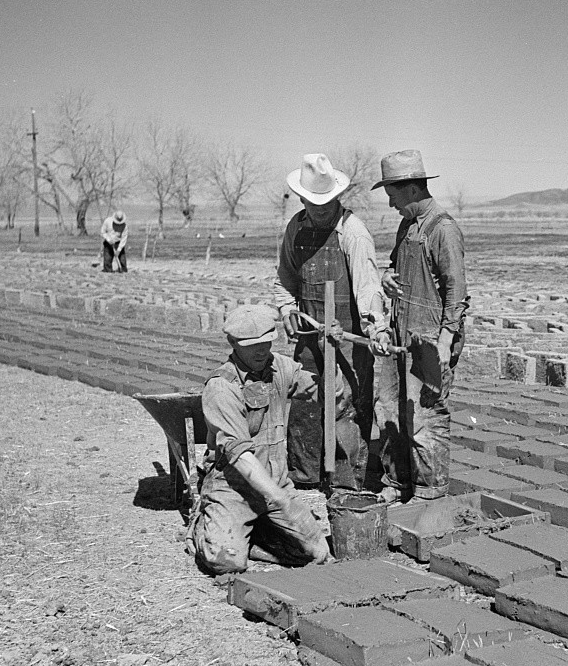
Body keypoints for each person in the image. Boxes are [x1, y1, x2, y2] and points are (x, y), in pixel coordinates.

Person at [188, 304, 339, 575]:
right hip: (234, 490)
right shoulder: (222, 387)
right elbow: (240, 457)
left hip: (275, 483)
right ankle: (205, 525)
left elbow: (329, 394)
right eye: (250, 345)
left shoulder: (280, 367)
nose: (260, 350)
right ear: (232, 342)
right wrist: (284, 501)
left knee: (316, 552)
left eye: (266, 342)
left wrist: (330, 352)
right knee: (226, 561)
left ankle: (256, 530)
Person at [273, 153, 387, 492]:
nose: (319, 209)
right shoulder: (295, 228)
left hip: (347, 338)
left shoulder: (353, 232)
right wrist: (286, 310)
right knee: (306, 401)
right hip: (309, 335)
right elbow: (283, 280)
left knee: (347, 406)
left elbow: (368, 288)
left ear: (338, 196)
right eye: (312, 202)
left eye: (326, 202)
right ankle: (306, 472)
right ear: (301, 198)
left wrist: (376, 326)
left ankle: (348, 479)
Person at [369, 149, 469, 504]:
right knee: (393, 411)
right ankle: (398, 483)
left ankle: (430, 492)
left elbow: (456, 289)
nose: (391, 204)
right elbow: (395, 267)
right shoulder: (407, 225)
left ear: (411, 190)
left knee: (425, 418)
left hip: (429, 338)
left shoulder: (442, 229)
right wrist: (387, 279)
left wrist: (444, 341)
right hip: (401, 332)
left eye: (393, 195)